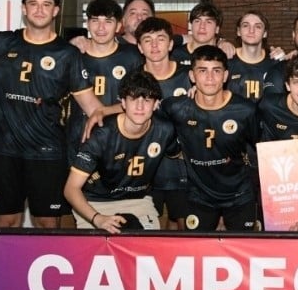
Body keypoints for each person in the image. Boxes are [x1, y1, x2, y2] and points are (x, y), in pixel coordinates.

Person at [0, 0, 115, 229]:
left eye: (46, 4)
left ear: (56, 11)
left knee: (48, 223)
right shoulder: (2, 43)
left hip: (47, 152)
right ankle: (6, 269)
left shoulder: (67, 54)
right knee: (6, 222)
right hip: (6, 151)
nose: (39, 10)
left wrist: (131, 107)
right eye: (33, 4)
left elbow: (94, 108)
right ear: (23, 9)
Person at [159, 45, 262, 231]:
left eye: (216, 71)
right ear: (192, 76)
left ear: (225, 76)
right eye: (202, 71)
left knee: (243, 250)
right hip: (198, 195)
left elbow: (263, 149)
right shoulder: (176, 107)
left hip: (239, 194)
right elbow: (143, 111)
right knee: (196, 252)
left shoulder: (245, 110)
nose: (209, 78)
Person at [64, 71, 178, 233]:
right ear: (123, 103)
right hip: (95, 202)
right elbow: (71, 189)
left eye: (146, 100)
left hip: (138, 201)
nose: (140, 107)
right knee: (99, 252)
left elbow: (180, 154)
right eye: (133, 99)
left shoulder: (165, 129)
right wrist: (98, 218)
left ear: (155, 104)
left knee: (146, 251)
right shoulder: (101, 134)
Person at [137, 18, 194, 229]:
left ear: (171, 44)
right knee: (147, 236)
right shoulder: (133, 79)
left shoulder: (190, 78)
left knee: (186, 232)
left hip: (182, 169)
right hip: (144, 170)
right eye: (147, 40)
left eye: (160, 39)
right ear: (139, 47)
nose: (154, 45)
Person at [67, 0, 144, 150]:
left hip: (119, 140)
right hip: (79, 139)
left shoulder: (133, 56)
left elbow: (140, 100)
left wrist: (106, 111)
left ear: (118, 26)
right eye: (95, 21)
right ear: (87, 24)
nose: (101, 28)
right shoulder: (73, 55)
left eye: (108, 22)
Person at [227, 11, 283, 102]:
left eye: (257, 26)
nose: (251, 30)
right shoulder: (226, 60)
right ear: (238, 31)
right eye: (246, 25)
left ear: (265, 33)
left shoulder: (275, 62)